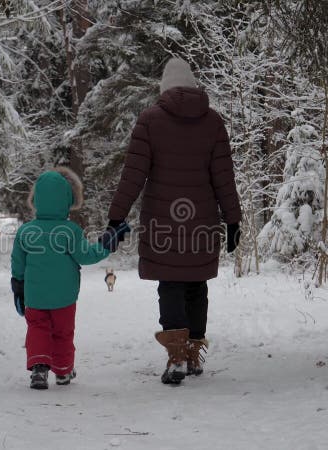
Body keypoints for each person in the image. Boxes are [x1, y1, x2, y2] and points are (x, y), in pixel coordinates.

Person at [105, 58, 241, 385]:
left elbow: (133, 175)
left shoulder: (150, 120)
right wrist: (233, 220)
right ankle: (192, 355)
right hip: (203, 221)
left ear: (164, 88)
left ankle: (177, 356)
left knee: (171, 284)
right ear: (193, 86)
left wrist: (116, 217)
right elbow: (224, 177)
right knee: (196, 284)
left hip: (163, 223)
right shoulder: (213, 123)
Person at [11, 167, 130, 390]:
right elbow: (87, 256)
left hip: (34, 296)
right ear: (67, 199)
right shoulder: (70, 231)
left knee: (37, 328)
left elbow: (18, 264)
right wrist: (108, 241)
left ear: (36, 199)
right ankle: (63, 371)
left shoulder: (25, 231)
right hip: (64, 297)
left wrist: (18, 286)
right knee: (63, 332)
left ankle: (39, 368)